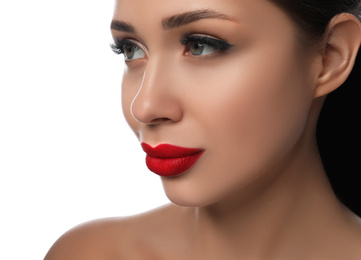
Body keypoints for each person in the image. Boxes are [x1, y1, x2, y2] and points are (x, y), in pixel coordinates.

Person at [45, 0, 361, 259]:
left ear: (331, 56)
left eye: (201, 46)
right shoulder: (90, 254)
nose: (144, 107)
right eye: (131, 50)